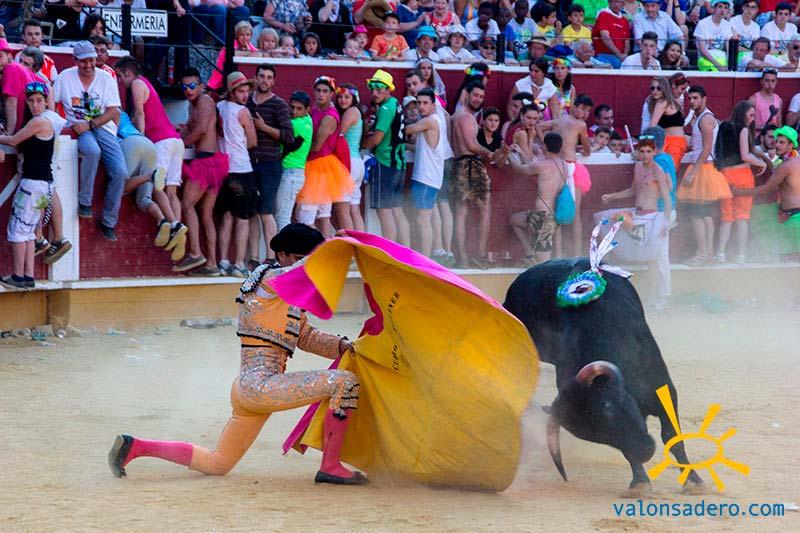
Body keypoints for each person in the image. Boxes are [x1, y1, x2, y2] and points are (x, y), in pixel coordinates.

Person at [108, 223, 366, 485]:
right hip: (262, 387)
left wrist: (343, 345)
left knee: (218, 463)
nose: (307, 266)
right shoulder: (268, 280)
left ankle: (136, 447)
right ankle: (330, 466)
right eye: (299, 257)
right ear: (282, 255)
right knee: (344, 382)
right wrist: (330, 249)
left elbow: (306, 337)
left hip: (249, 390)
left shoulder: (284, 296)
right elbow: (298, 271)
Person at [52, 41, 127, 242]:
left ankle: (109, 221)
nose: (88, 65)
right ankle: (85, 202)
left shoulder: (106, 77)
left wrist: (91, 124)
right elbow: (52, 98)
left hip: (102, 127)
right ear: (75, 60)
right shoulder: (65, 76)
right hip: (77, 127)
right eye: (83, 61)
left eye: (91, 60)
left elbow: (113, 110)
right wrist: (57, 122)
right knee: (92, 151)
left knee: (121, 172)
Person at [115, 56, 188, 262]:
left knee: (157, 186)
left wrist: (141, 137)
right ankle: (177, 228)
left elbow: (140, 113)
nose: (120, 81)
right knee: (172, 191)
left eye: (121, 76)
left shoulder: (137, 84)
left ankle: (174, 225)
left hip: (160, 141)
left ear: (128, 72)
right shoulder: (147, 83)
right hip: (175, 141)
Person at [599, 135, 673, 310]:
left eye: (649, 151)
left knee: (659, 259)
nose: (645, 155)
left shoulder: (658, 171)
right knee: (649, 259)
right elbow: (633, 190)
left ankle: (663, 298)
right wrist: (612, 196)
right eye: (642, 151)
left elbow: (667, 199)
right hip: (638, 216)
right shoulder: (638, 166)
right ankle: (652, 299)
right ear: (638, 152)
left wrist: (665, 223)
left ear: (654, 152)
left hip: (653, 219)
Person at [0, 82, 55, 289]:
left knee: (17, 229)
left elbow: (13, 141)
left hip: (32, 185)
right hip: (43, 185)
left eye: (39, 101)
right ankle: (28, 276)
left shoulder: (39, 122)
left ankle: (17, 276)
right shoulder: (42, 122)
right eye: (31, 101)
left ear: (46, 102)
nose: (35, 105)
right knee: (30, 231)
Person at [177, 68, 228, 276]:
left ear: (201, 86)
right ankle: (212, 265)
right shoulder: (193, 106)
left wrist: (179, 145)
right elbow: (191, 129)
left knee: (187, 204)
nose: (188, 90)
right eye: (184, 86)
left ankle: (196, 252)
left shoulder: (205, 100)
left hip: (206, 161)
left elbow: (202, 130)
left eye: (192, 86)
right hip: (213, 162)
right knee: (206, 215)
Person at [677, 85, 732, 266]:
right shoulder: (703, 117)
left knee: (696, 214)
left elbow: (707, 148)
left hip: (703, 168)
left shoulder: (705, 118)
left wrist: (693, 172)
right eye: (690, 98)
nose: (692, 101)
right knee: (705, 214)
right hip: (706, 167)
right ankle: (707, 254)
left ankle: (703, 254)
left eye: (695, 98)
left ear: (704, 99)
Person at [246, 63, 294, 267]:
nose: (265, 80)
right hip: (249, 163)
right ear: (255, 78)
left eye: (268, 77)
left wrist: (263, 127)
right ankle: (254, 258)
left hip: (269, 163)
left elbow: (289, 136)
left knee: (266, 211)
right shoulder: (247, 101)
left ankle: (272, 258)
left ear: (273, 81)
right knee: (252, 212)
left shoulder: (279, 104)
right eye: (262, 76)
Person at [714, 101, 771, 264]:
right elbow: (745, 155)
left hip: (725, 175)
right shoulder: (743, 129)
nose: (753, 119)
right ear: (743, 113)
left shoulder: (723, 126)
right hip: (742, 175)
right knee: (742, 216)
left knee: (726, 217)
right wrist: (762, 163)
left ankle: (720, 253)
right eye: (751, 115)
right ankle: (741, 255)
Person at [297, 76, 353, 236]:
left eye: (325, 91)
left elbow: (316, 146)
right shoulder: (316, 108)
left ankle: (313, 246)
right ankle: (325, 246)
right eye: (318, 90)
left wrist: (295, 149)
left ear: (331, 94)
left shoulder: (329, 116)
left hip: (318, 166)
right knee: (323, 215)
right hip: (323, 166)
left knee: (306, 216)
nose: (321, 94)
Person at [538, 94, 594, 256]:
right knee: (575, 213)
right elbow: (587, 150)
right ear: (574, 106)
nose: (585, 113)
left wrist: (546, 145)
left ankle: (558, 254)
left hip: (557, 165)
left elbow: (539, 127)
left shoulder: (559, 120)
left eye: (588, 111)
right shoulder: (581, 124)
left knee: (557, 210)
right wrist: (581, 148)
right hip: (570, 167)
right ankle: (577, 253)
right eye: (583, 109)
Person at [733, 126, 800, 257]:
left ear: (791, 145)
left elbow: (767, 188)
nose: (777, 145)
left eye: (782, 142)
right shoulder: (794, 161)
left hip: (794, 220)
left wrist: (739, 192)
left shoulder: (786, 166)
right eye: (776, 141)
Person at [216, 72, 258, 278]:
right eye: (241, 91)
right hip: (241, 168)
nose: (245, 95)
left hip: (223, 168)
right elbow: (252, 141)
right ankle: (239, 263)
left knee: (226, 217)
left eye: (247, 91)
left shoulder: (219, 107)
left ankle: (223, 261)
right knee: (243, 219)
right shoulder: (243, 111)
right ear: (232, 92)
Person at [362, 70, 410, 247]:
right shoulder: (396, 103)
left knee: (384, 211)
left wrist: (362, 144)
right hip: (399, 164)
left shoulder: (385, 108)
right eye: (372, 89)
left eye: (379, 89)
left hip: (385, 163)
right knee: (397, 211)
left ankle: (389, 252)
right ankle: (404, 251)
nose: (374, 93)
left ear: (388, 89)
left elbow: (376, 139)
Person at [507, 132, 566, 266]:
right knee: (514, 219)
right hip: (553, 214)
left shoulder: (542, 165)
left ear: (545, 146)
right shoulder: (563, 165)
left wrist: (508, 154)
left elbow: (519, 168)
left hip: (542, 216)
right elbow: (533, 168)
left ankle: (535, 262)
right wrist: (522, 152)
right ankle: (529, 255)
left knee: (543, 262)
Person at [451, 81, 493, 268]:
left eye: (481, 96)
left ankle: (462, 257)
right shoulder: (467, 117)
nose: (478, 99)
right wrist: (488, 152)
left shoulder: (456, 115)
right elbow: (472, 145)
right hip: (471, 164)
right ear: (466, 94)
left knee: (461, 211)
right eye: (475, 95)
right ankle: (480, 255)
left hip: (459, 163)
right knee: (485, 210)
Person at [404, 88, 446, 258]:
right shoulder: (432, 120)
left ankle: (425, 258)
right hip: (428, 177)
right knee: (424, 219)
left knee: (423, 220)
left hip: (426, 178)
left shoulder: (429, 121)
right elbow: (424, 148)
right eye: (419, 103)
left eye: (425, 103)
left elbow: (407, 129)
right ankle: (427, 256)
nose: (421, 106)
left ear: (433, 105)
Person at [275, 91, 314, 231]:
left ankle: (285, 245)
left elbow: (277, 131)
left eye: (299, 109)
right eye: (291, 107)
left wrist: (262, 126)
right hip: (294, 173)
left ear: (307, 109)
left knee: (282, 218)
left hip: (290, 174)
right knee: (283, 216)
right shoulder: (307, 120)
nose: (294, 111)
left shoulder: (295, 124)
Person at [335, 84, 366, 233]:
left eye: (347, 97)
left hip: (348, 163)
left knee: (342, 210)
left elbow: (339, 135)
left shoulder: (350, 111)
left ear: (354, 98)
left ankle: (349, 244)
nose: (343, 100)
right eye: (340, 96)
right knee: (354, 210)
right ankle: (360, 244)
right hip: (357, 163)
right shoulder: (357, 112)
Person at [0, 38, 42, 134]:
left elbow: (12, 103)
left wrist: (9, 135)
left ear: (9, 56)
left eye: (0, 56)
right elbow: (49, 88)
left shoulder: (11, 68)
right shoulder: (21, 69)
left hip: (17, 132)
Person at [645, 76, 685, 171]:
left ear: (664, 89)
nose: (655, 91)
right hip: (673, 142)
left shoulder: (662, 102)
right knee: (667, 172)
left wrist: (643, 144)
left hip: (672, 143)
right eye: (652, 88)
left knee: (665, 172)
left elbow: (652, 127)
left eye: (659, 88)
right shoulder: (670, 102)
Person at [694, 0, 736, 72]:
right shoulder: (702, 23)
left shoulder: (727, 25)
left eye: (725, 8)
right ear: (714, 8)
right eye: (720, 7)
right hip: (706, 59)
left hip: (722, 58)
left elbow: (728, 48)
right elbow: (702, 50)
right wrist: (718, 65)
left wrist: (728, 64)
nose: (722, 10)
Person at [592, 0, 631, 69]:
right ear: (609, 2)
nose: (616, 4)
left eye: (619, 2)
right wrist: (619, 54)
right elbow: (605, 37)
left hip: (621, 58)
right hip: (603, 56)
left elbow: (627, 42)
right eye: (614, 1)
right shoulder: (603, 15)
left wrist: (624, 55)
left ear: (623, 4)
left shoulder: (625, 21)